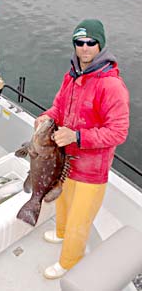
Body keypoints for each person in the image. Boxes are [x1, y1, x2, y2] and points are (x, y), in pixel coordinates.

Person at [35, 19, 130, 279]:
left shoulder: (111, 86)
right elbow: (59, 108)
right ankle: (60, 233)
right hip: (66, 162)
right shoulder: (72, 76)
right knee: (63, 204)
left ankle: (70, 261)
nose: (85, 48)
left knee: (80, 221)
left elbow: (119, 132)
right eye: (80, 42)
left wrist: (77, 135)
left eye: (91, 43)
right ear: (74, 45)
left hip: (91, 171)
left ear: (101, 45)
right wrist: (46, 117)